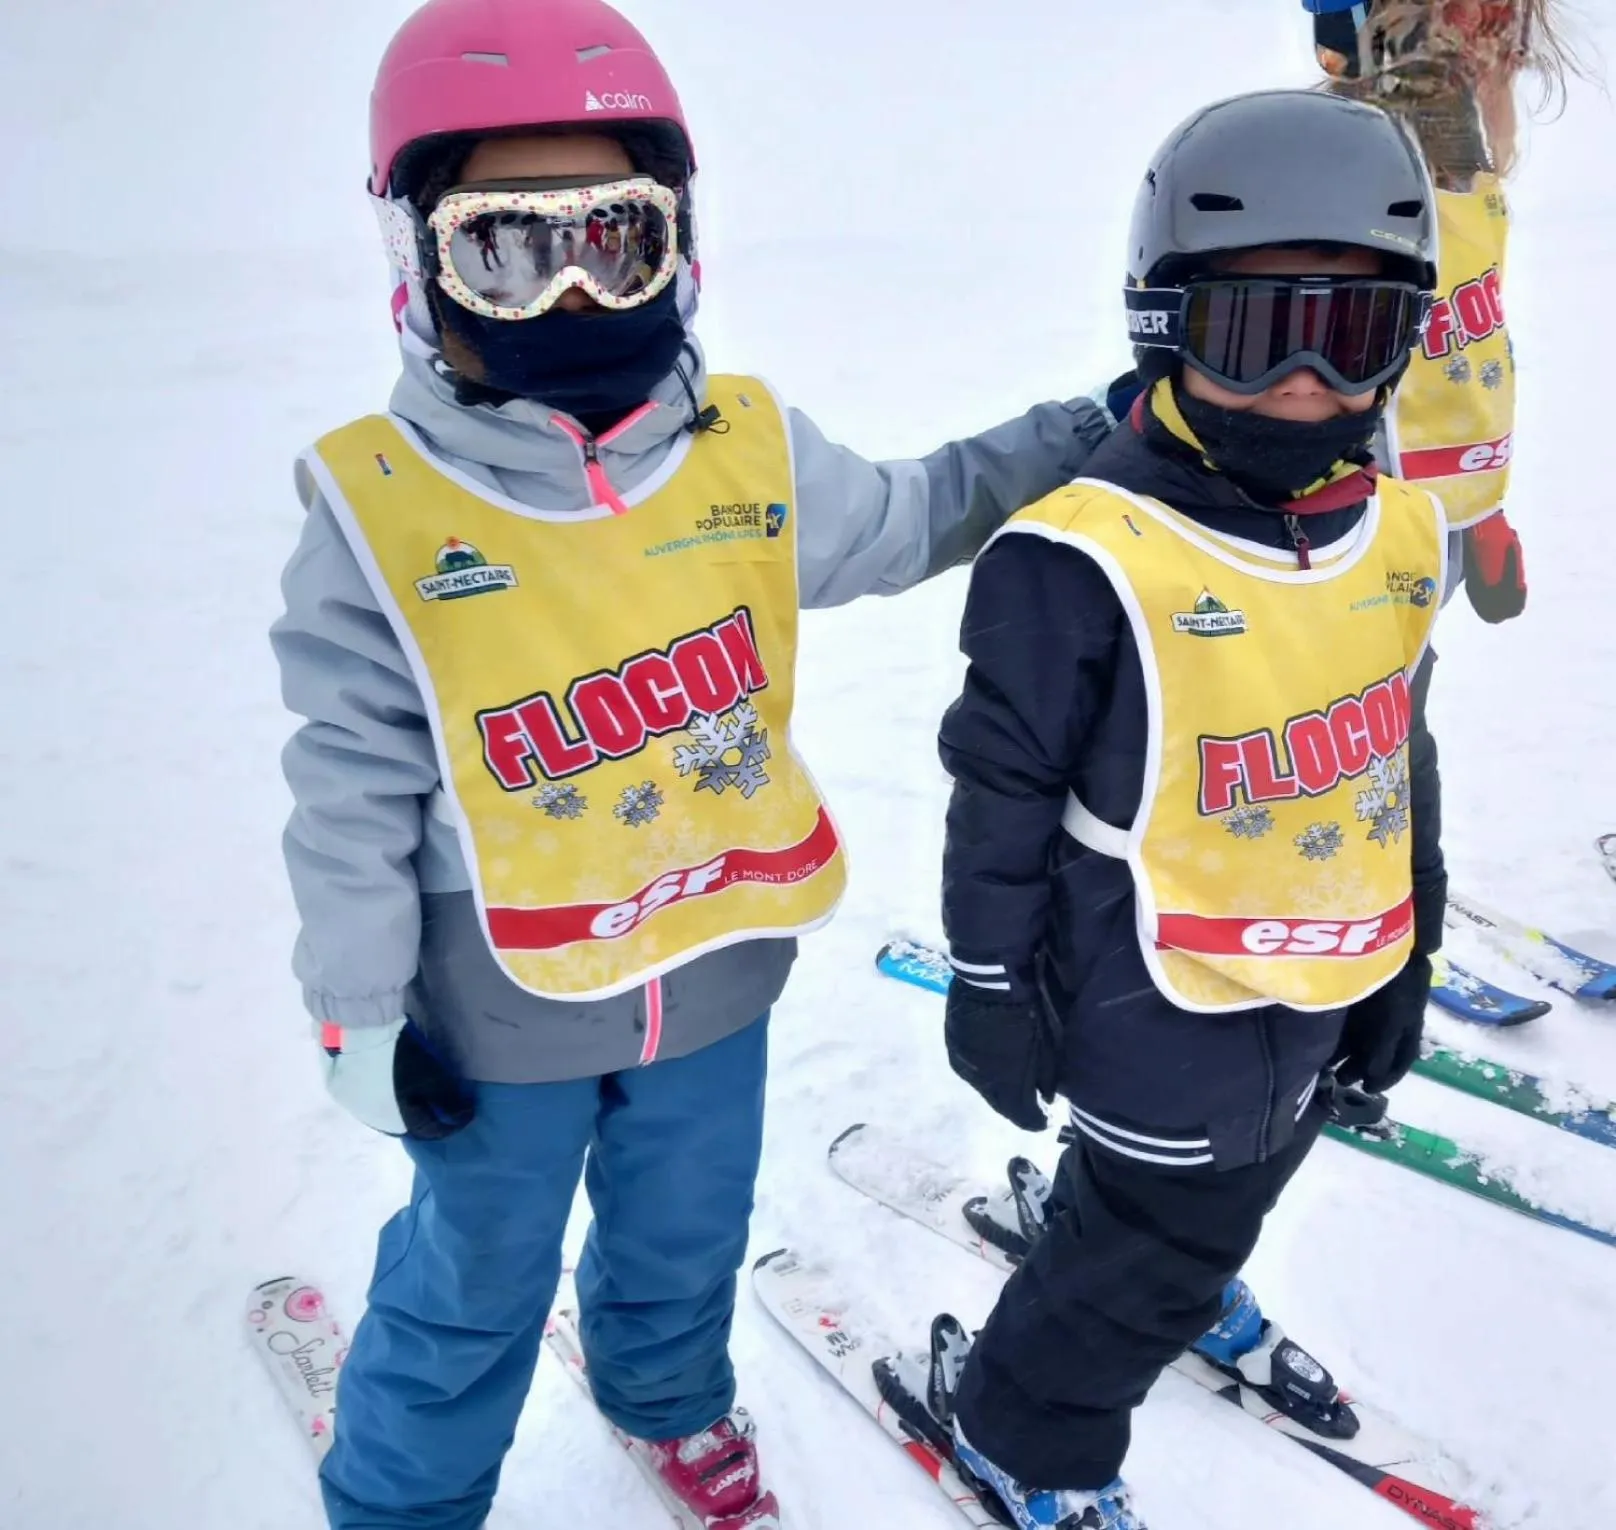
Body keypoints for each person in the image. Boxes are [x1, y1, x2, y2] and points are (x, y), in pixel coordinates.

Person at [268, 2, 1112, 1527]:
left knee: (685, 1222)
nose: (576, 289)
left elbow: (917, 513)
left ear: (684, 240)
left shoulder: (748, 453)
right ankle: (405, 1497)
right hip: (501, 997)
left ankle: (664, 1393)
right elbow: (350, 781)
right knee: (482, 1266)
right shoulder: (384, 506)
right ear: (420, 262)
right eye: (511, 248)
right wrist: (360, 1004)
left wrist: (1078, 432)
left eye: (619, 237)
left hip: (715, 960)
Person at [923, 90, 1449, 1528]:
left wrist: (1413, 945)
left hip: (1321, 977)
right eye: (1249, 330)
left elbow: (1399, 735)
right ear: (1165, 325)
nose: (1301, 384)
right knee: (1157, 1240)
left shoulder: (1394, 529)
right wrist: (985, 982)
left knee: (1239, 1175)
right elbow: (1001, 793)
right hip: (1150, 1001)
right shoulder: (1081, 554)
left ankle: (1142, 1241)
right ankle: (1026, 1428)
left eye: (1349, 337)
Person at [1306, 0, 1589, 624]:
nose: (1493, 29)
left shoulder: (1465, 177)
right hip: (1334, 536)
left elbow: (1461, 338)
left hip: (1423, 529)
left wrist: (1479, 506)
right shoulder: (1354, 170)